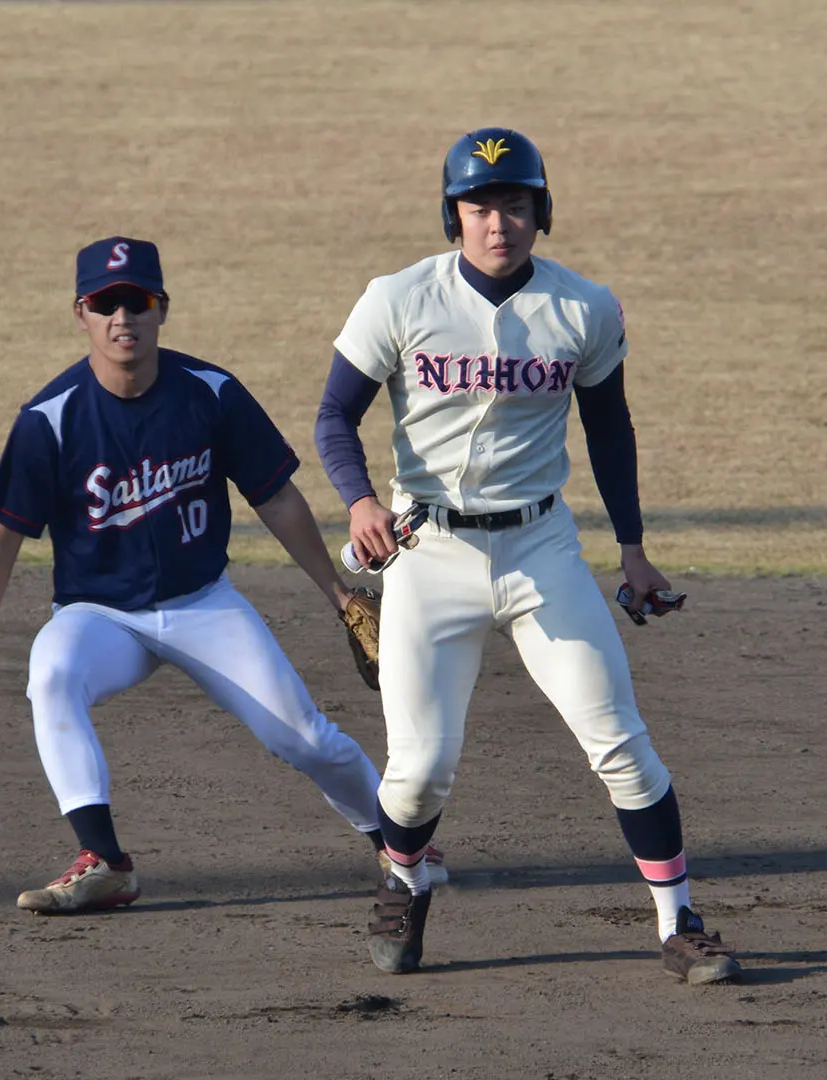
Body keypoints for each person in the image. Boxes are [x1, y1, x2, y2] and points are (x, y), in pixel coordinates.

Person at [314, 129, 741, 984]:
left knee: (619, 742)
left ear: (540, 212)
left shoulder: (584, 308)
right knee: (417, 774)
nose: (497, 222)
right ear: (454, 217)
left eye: (514, 204)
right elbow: (334, 418)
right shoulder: (397, 298)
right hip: (427, 551)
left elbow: (609, 429)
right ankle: (405, 874)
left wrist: (632, 549)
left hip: (542, 547)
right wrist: (360, 501)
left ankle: (679, 920)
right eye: (479, 206)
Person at [0, 236, 439, 914]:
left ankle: (400, 843)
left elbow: (277, 498)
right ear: (81, 313)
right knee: (51, 672)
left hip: (205, 605)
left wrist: (338, 591)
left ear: (161, 309)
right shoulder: (48, 421)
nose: (123, 317)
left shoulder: (211, 393)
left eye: (137, 301)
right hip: (98, 615)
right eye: (106, 303)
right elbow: (0, 539)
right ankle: (105, 862)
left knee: (301, 736)